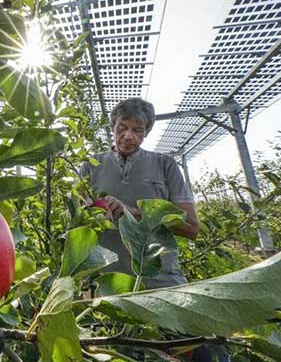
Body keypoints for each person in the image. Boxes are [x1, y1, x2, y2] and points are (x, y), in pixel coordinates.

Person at [80, 97, 200, 289]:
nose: (128, 135)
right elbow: (77, 224)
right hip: (107, 282)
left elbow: (191, 228)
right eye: (122, 127)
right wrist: (92, 212)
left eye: (137, 130)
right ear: (113, 127)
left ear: (147, 132)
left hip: (161, 281)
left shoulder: (165, 165)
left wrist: (130, 213)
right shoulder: (90, 166)